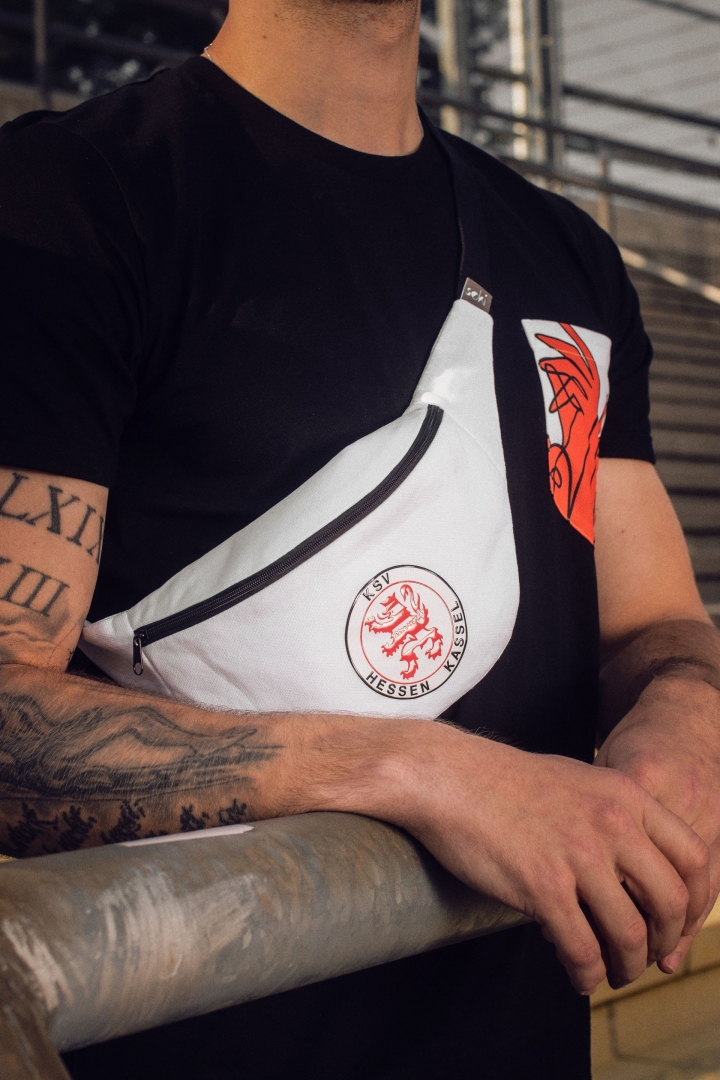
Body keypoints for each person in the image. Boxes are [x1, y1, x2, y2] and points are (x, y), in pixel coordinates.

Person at [0, 0, 718, 1076]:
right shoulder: (69, 199)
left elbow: (654, 620)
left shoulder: (567, 253)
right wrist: (419, 771)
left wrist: (687, 717)